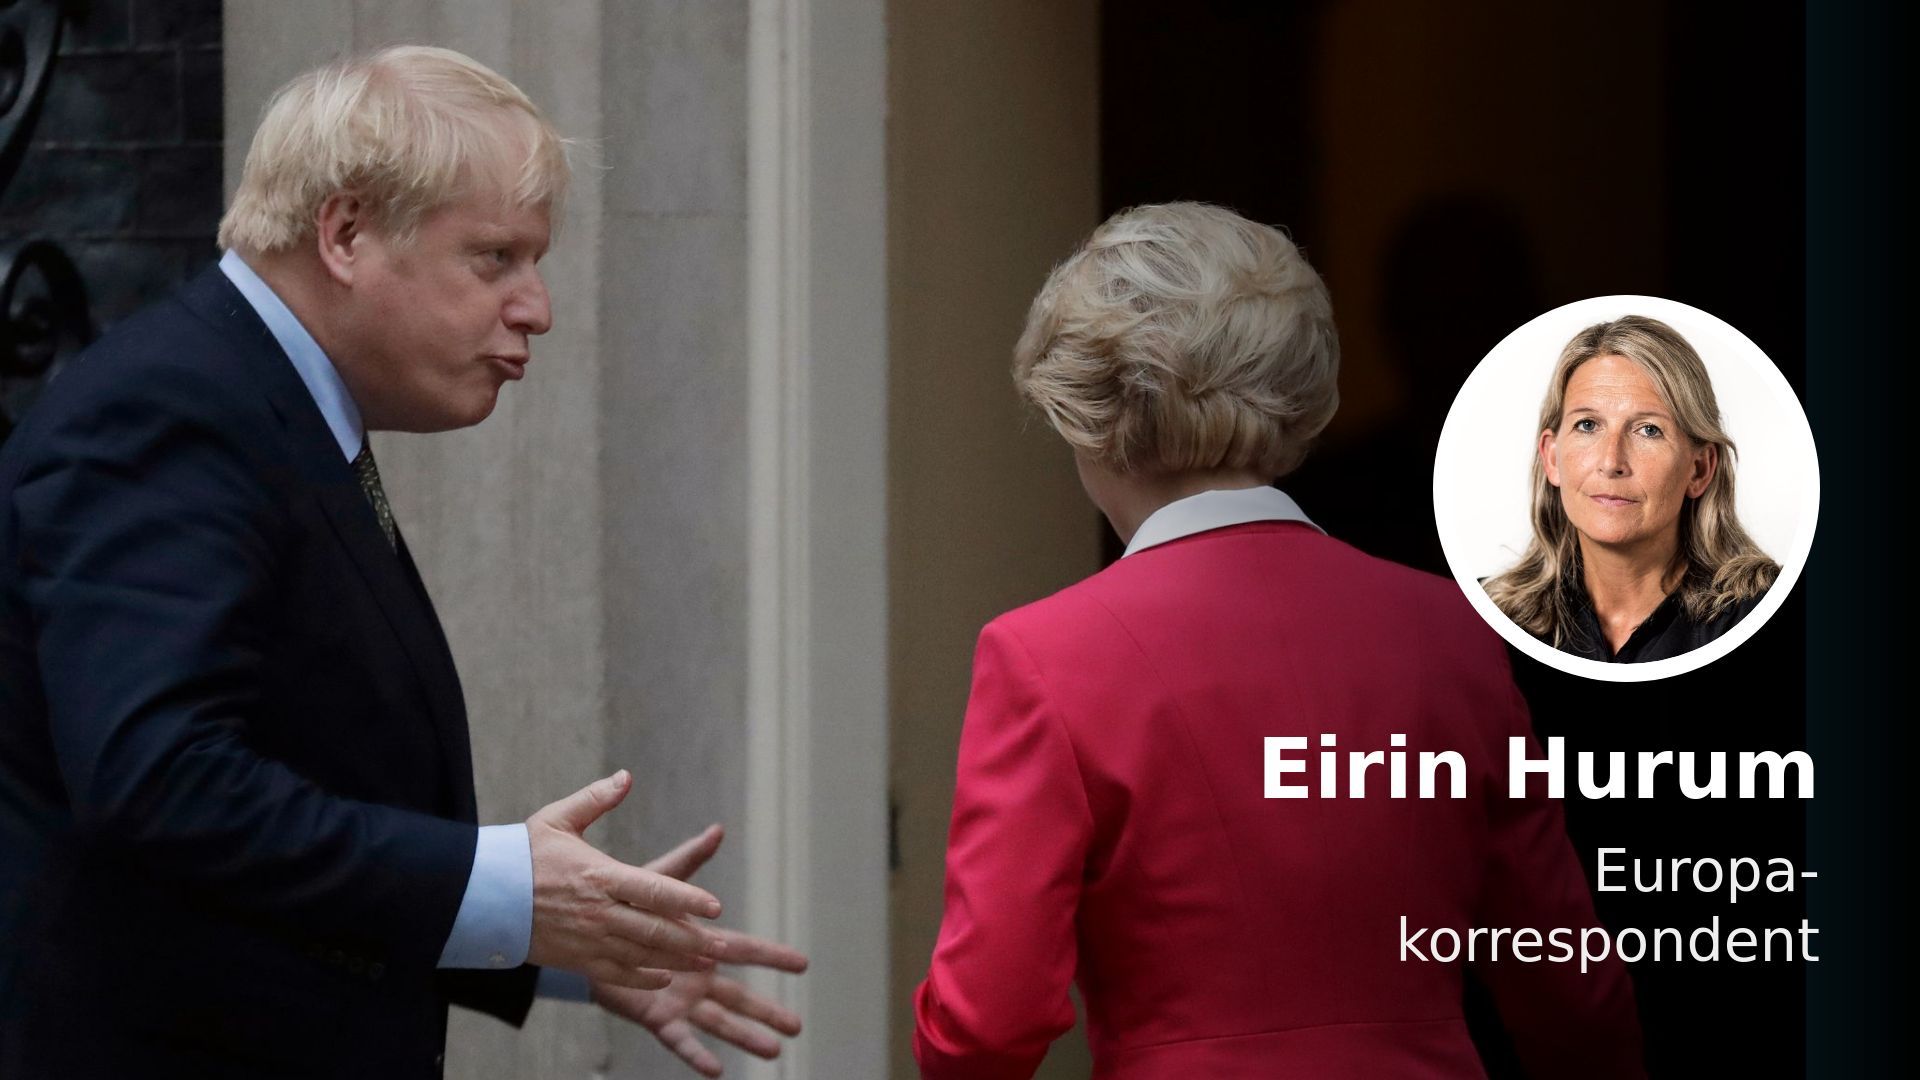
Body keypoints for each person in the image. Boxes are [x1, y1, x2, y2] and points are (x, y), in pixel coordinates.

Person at [0, 46, 801, 1078]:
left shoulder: (262, 400)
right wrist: (504, 888)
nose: (538, 308)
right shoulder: (169, 411)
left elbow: (294, 791)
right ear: (345, 234)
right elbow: (163, 785)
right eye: (495, 258)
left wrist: (554, 938)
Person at [911, 202, 1644, 1078]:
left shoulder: (1043, 657)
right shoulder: (1453, 631)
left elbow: (986, 1026)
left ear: (1086, 413)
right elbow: (1570, 992)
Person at [1483, 315, 1778, 663]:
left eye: (1649, 430)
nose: (1611, 462)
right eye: (1587, 425)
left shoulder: (1767, 610)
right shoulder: (1484, 616)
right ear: (1551, 458)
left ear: (1699, 469)